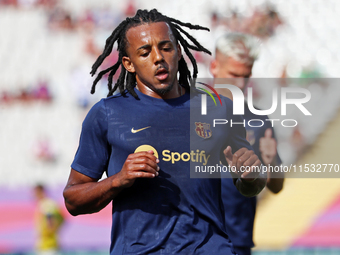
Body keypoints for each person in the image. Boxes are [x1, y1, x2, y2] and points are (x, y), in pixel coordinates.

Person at [63, 9, 266, 255]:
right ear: (129, 63)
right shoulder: (106, 114)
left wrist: (251, 175)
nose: (158, 57)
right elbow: (73, 200)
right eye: (145, 52)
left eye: (166, 47)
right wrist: (118, 180)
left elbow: (251, 185)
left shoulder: (219, 109)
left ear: (179, 51)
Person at [210, 32, 284, 255]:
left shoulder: (259, 120)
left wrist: (270, 162)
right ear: (214, 67)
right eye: (233, 75)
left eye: (246, 76)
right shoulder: (189, 111)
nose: (240, 84)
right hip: (194, 239)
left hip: (238, 241)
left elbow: (276, 186)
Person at [34, 184, 64, 255]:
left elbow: (51, 221)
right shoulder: (44, 203)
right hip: (45, 245)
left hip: (49, 246)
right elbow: (62, 218)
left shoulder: (46, 204)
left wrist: (50, 230)